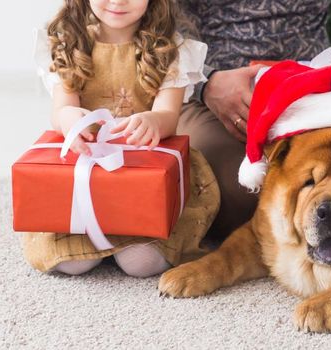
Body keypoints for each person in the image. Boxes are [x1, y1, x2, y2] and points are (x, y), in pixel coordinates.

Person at [177, 0, 331, 242]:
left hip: (311, 96)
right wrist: (207, 82)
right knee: (234, 192)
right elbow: (161, 29)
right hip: (213, 95)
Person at [22, 0, 217, 278]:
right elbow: (60, 111)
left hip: (145, 177)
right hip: (87, 178)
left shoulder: (171, 50)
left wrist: (152, 120)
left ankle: (121, 238)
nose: (118, 1)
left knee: (141, 263)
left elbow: (168, 116)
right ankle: (102, 236)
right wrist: (69, 119)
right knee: (71, 264)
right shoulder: (68, 43)